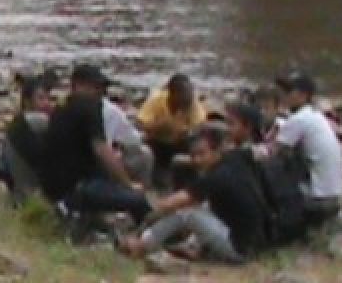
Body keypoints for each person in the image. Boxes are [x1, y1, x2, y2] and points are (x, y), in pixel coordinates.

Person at [119, 125, 269, 265]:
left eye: (202, 154)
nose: (197, 160)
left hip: (240, 249)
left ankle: (141, 245)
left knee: (186, 213)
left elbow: (171, 204)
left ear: (217, 151)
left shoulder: (216, 177)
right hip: (259, 240)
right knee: (201, 206)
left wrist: (147, 215)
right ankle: (194, 246)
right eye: (194, 155)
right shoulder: (235, 159)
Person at [39, 64, 150, 223]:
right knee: (138, 200)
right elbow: (101, 150)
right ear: (77, 85)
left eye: (102, 88)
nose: (100, 93)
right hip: (78, 188)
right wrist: (128, 184)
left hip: (54, 187)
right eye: (96, 87)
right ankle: (153, 236)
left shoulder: (62, 107)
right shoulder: (90, 108)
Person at [272, 70, 342, 228]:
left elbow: (272, 154)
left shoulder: (298, 120)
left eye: (289, 91)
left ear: (304, 95)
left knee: (268, 172)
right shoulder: (316, 116)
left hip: (316, 201)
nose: (284, 95)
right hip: (333, 196)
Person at [136, 73, 207, 186]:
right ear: (172, 94)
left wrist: (187, 132)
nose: (185, 103)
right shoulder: (156, 100)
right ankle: (159, 172)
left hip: (180, 144)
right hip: (157, 142)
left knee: (196, 143)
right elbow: (140, 124)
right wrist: (161, 125)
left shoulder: (192, 103)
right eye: (182, 99)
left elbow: (200, 127)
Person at [1, 72, 54, 203]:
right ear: (27, 101)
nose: (47, 103)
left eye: (49, 99)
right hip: (30, 196)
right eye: (41, 98)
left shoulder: (18, 124)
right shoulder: (30, 123)